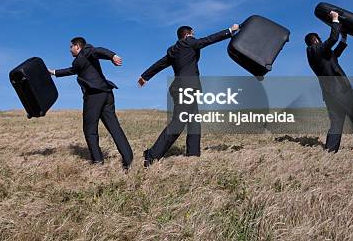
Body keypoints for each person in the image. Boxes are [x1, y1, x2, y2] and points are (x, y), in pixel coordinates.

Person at [138, 23, 239, 166]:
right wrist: (230, 31)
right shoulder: (189, 42)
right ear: (187, 35)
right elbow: (208, 40)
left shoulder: (173, 50)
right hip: (187, 88)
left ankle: (193, 155)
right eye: (193, 34)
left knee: (194, 122)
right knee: (178, 123)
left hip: (182, 88)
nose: (194, 36)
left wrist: (145, 76)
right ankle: (152, 156)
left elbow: (160, 63)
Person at [49, 37, 133, 169]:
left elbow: (98, 51)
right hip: (106, 94)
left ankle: (98, 162)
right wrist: (53, 72)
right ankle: (128, 160)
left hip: (94, 96)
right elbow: (72, 70)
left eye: (71, 47)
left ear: (77, 46)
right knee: (114, 127)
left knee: (89, 130)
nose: (69, 50)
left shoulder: (87, 51)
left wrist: (112, 56)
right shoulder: (79, 61)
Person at [305, 10, 353, 152]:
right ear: (315, 40)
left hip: (330, 94)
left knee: (336, 123)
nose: (321, 40)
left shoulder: (318, 56)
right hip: (341, 91)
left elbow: (335, 54)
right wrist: (335, 19)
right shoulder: (314, 49)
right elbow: (332, 40)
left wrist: (344, 38)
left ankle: (330, 151)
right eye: (319, 38)